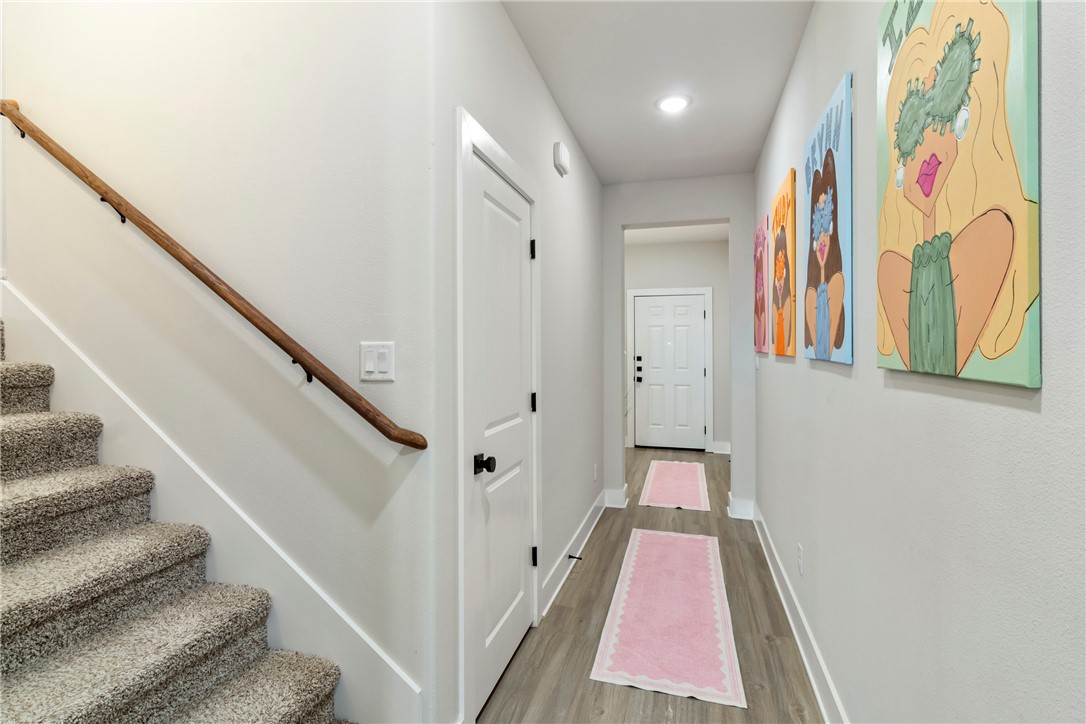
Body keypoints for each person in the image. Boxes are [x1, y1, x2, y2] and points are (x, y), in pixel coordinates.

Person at [877, 1, 1035, 376]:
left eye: (946, 107)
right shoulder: (890, 271)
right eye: (913, 127)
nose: (927, 149)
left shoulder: (993, 233)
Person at [805, 149, 845, 360]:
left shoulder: (837, 283)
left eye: (826, 225)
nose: (822, 238)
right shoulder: (810, 296)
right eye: (817, 226)